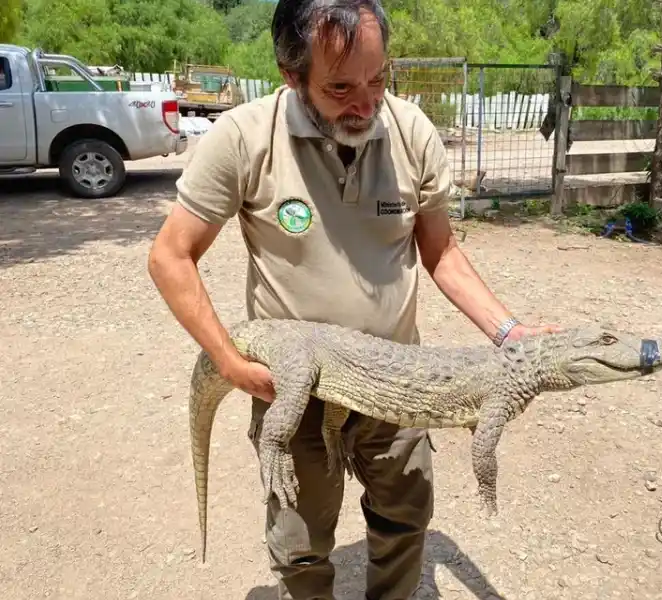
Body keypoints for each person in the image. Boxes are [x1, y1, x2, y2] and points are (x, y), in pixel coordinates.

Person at [147, 0, 558, 597]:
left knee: (405, 517)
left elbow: (441, 252)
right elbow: (170, 255)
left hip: (400, 376)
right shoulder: (243, 137)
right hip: (297, 382)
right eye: (340, 87)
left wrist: (507, 331)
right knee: (298, 539)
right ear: (292, 76)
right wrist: (231, 363)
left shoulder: (411, 131)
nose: (366, 104)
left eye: (379, 79)